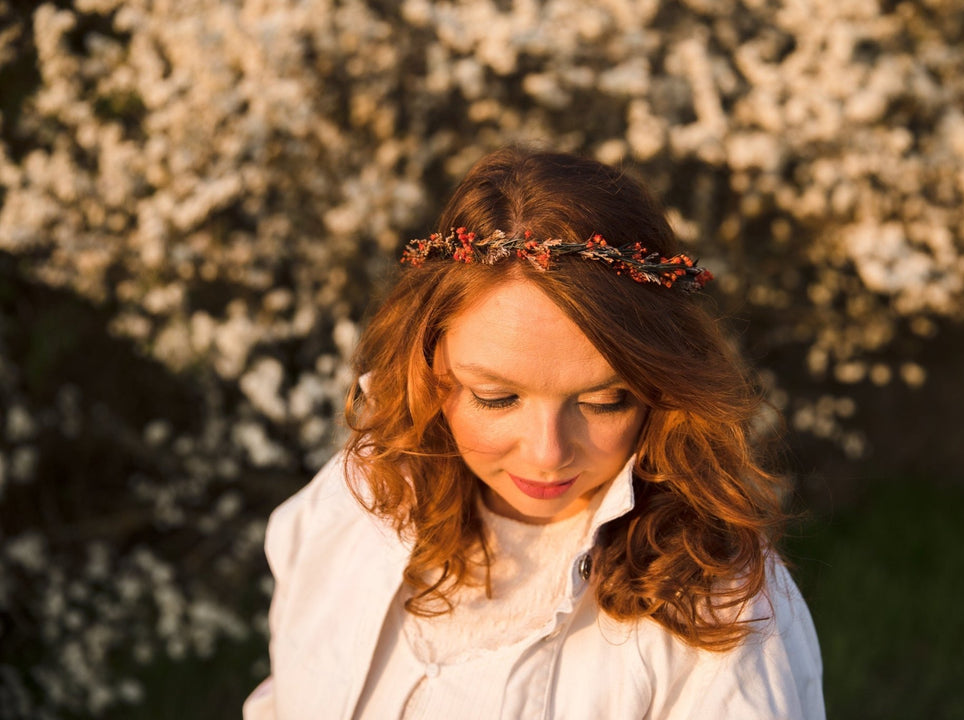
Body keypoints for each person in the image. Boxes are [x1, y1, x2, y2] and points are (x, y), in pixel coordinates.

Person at [243, 147, 825, 719]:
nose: (548, 453)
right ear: (427, 364)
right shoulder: (354, 502)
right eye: (497, 398)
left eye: (604, 401)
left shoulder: (718, 612)